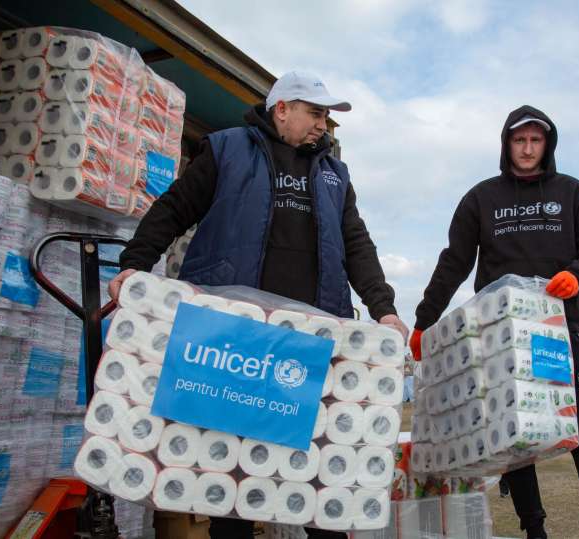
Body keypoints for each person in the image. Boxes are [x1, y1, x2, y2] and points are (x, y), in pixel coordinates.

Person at [109, 71, 408, 539]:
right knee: (229, 479)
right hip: (235, 338)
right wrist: (135, 264)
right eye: (315, 113)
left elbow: (356, 243)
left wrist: (383, 308)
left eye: (327, 117)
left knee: (317, 475)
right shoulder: (227, 148)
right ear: (281, 109)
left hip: (309, 343)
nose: (323, 126)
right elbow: (174, 207)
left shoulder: (334, 174)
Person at [408, 106, 579, 539]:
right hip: (500, 337)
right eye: (519, 140)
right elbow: (454, 261)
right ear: (506, 143)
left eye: (536, 140)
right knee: (516, 434)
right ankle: (534, 528)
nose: (527, 149)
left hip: (557, 333)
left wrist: (577, 276)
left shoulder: (571, 192)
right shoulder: (481, 198)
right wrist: (423, 322)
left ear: (548, 144)